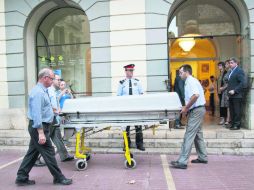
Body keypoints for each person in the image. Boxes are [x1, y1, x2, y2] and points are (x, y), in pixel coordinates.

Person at [15, 68, 72, 186]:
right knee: (49, 151)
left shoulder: (43, 91)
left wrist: (52, 110)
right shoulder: (38, 92)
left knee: (32, 153)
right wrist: (40, 132)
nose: (53, 81)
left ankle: (21, 177)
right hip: (39, 127)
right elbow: (36, 114)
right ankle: (58, 178)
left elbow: (42, 108)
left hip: (41, 126)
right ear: (45, 78)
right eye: (52, 79)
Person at [170, 64, 208, 169]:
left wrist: (186, 107)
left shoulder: (190, 81)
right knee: (198, 134)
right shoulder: (190, 81)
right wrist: (186, 107)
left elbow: (195, 95)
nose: (180, 74)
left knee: (189, 135)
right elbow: (194, 96)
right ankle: (203, 157)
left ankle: (182, 161)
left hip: (196, 110)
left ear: (187, 72)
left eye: (181, 72)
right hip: (198, 109)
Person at [117, 64, 145, 151]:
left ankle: (139, 144)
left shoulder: (137, 82)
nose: (131, 72)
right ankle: (126, 144)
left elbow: (141, 94)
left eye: (132, 70)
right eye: (130, 70)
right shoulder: (121, 83)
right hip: (126, 109)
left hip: (136, 108)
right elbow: (118, 96)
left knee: (138, 126)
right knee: (126, 127)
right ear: (125, 71)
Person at [48, 74, 74, 162]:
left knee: (58, 138)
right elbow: (48, 104)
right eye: (58, 80)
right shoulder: (49, 90)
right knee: (43, 140)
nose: (59, 82)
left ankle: (64, 156)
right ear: (52, 80)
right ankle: (36, 158)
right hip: (49, 119)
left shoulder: (53, 90)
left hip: (55, 118)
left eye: (60, 80)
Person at [227, 57, 245, 130]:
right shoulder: (231, 71)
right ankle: (233, 123)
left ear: (236, 63)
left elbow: (242, 83)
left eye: (231, 63)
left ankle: (237, 125)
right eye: (229, 63)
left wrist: (235, 90)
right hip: (231, 95)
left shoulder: (239, 71)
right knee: (232, 110)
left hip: (237, 95)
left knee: (237, 111)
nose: (230, 64)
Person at [219, 60, 231, 126]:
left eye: (226, 64)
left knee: (228, 106)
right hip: (224, 91)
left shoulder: (229, 72)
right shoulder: (227, 72)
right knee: (226, 106)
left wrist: (223, 88)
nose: (225, 65)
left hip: (227, 90)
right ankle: (227, 119)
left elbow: (229, 82)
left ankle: (228, 120)